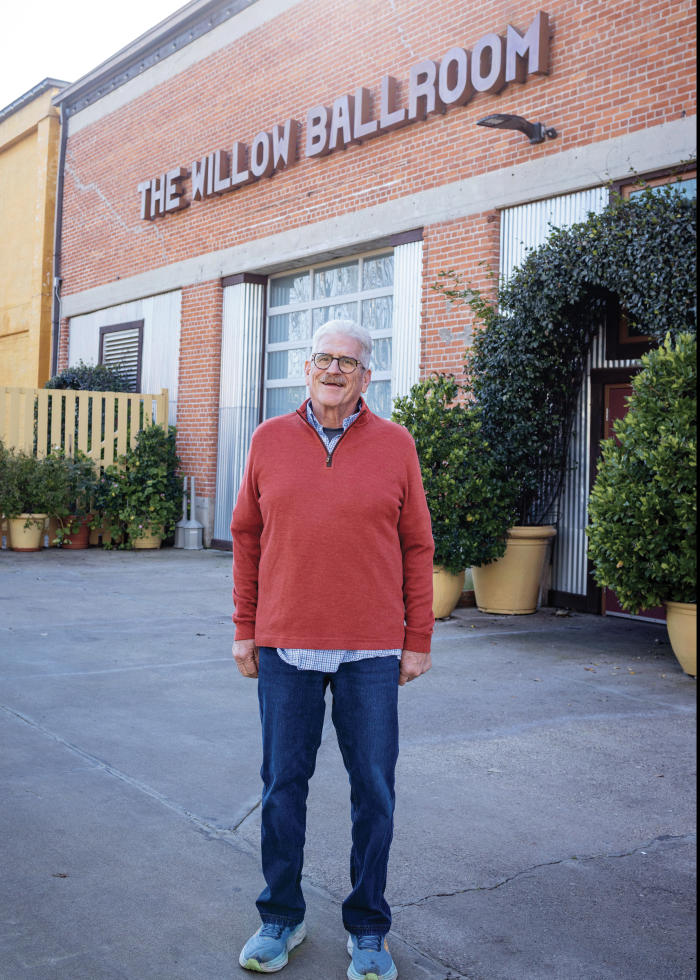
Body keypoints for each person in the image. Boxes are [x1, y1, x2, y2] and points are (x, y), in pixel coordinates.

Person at [231, 318, 434, 979]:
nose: (334, 369)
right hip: (285, 644)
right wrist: (244, 626)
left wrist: (418, 638)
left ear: (367, 375)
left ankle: (368, 929)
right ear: (307, 366)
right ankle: (279, 918)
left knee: (374, 791)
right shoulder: (268, 439)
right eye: (323, 357)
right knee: (282, 788)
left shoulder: (396, 445)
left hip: (371, 650)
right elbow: (246, 537)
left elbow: (417, 546)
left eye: (349, 361)